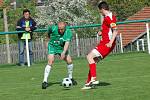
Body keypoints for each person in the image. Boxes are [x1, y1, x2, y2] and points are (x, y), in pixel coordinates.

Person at [82, 1, 118, 90]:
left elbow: (115, 30)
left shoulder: (109, 18)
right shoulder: (108, 17)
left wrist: (110, 42)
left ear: (102, 9)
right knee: (93, 60)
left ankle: (93, 78)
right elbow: (108, 29)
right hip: (106, 43)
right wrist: (101, 32)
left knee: (89, 56)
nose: (100, 13)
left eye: (100, 11)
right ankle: (88, 83)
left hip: (107, 44)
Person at [42, 22, 77, 89]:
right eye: (59, 29)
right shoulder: (52, 28)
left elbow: (67, 43)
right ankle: (45, 81)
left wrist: (63, 52)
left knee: (69, 61)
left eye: (62, 29)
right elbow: (47, 33)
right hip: (52, 46)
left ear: (65, 28)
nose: (60, 31)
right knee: (50, 61)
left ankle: (70, 78)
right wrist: (47, 41)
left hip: (61, 47)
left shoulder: (68, 32)